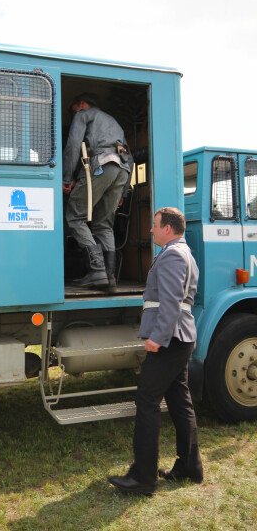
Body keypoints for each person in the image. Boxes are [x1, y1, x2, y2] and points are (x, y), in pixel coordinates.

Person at [108, 207, 203, 496]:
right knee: (179, 401)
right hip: (180, 338)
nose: (150, 230)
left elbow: (172, 301)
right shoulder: (184, 253)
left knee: (147, 399)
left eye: (155, 225)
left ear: (168, 228)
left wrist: (158, 338)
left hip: (170, 339)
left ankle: (142, 477)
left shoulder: (173, 254)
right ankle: (189, 466)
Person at [63, 93, 132, 292]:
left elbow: (74, 145)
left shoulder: (84, 114)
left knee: (75, 217)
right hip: (122, 172)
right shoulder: (115, 124)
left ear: (82, 104)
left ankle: (97, 270)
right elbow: (131, 157)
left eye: (73, 110)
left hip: (100, 166)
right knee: (104, 224)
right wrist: (124, 192)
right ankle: (109, 277)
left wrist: (67, 178)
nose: (73, 115)